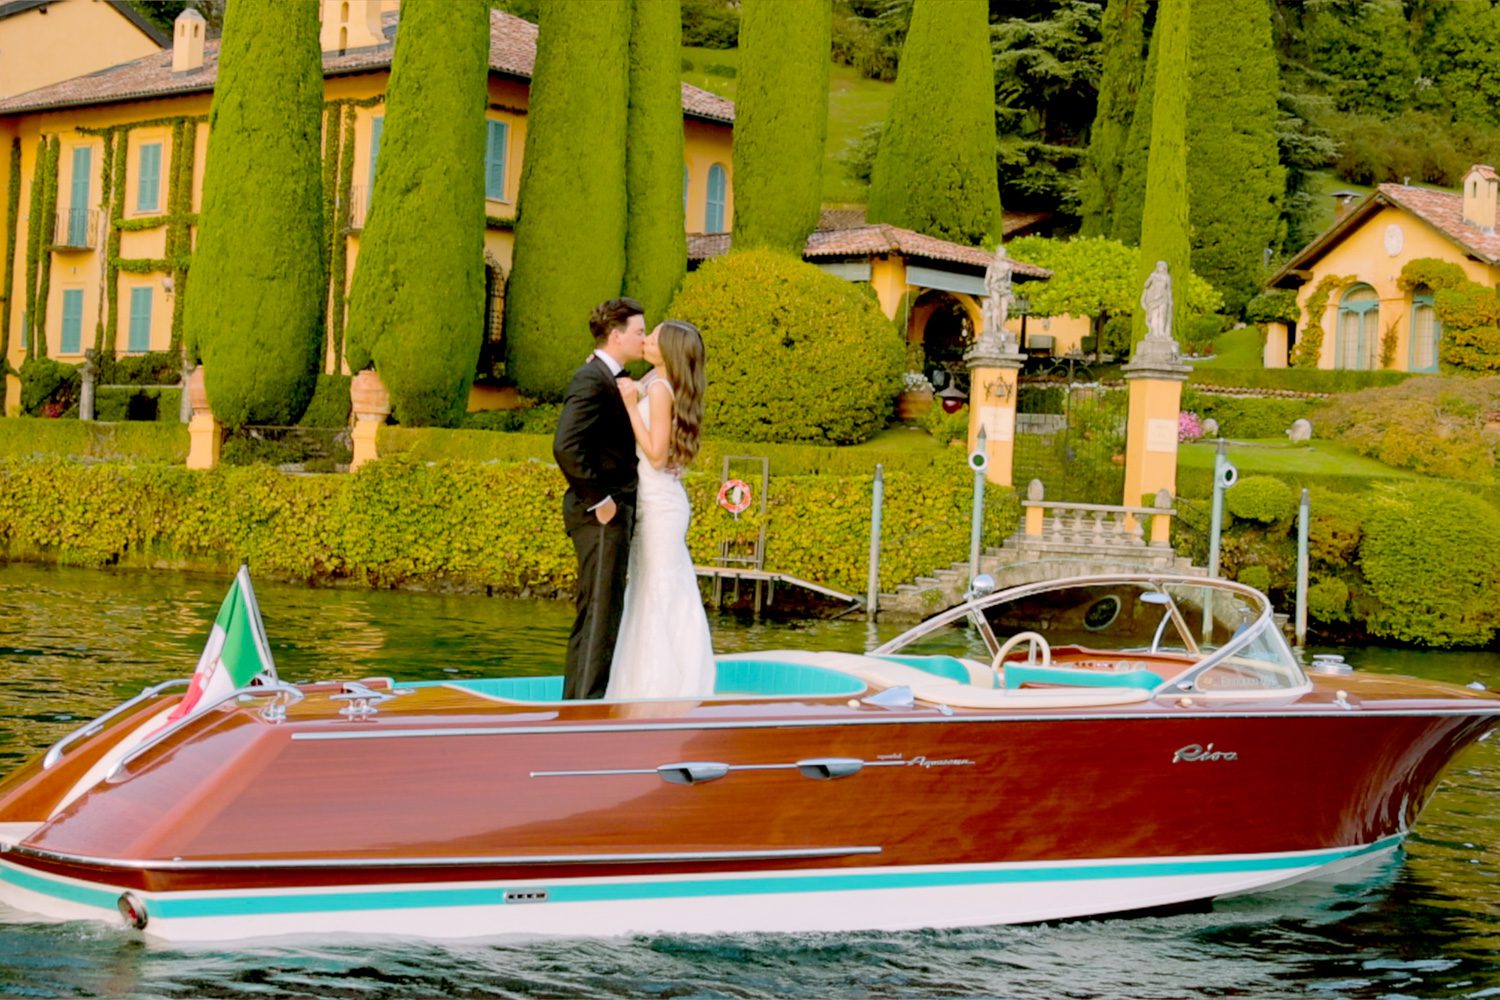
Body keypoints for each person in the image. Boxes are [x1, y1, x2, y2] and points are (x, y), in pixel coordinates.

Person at [606, 320, 716, 700]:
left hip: (659, 507)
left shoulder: (660, 390)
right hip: (659, 503)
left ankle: (662, 687)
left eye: (653, 339)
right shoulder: (657, 380)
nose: (646, 341)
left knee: (658, 592)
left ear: (668, 352)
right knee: (654, 590)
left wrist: (628, 406)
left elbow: (654, 455)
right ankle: (657, 681)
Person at [552, 298, 646, 699]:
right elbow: (565, 446)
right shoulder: (591, 379)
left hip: (610, 513)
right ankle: (584, 710)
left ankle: (581, 702)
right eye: (639, 332)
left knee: (603, 613)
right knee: (598, 616)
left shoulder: (611, 378)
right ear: (616, 335)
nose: (643, 339)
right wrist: (601, 501)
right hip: (600, 517)